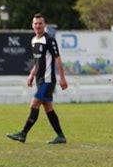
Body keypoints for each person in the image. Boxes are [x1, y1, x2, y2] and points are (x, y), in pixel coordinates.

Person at [7, 13, 68, 144]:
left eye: (40, 23)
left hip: (47, 80)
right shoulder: (34, 40)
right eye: (35, 23)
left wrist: (62, 78)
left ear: (44, 25)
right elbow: (38, 62)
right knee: (48, 108)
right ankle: (60, 136)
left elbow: (58, 59)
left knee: (34, 104)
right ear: (32, 25)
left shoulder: (50, 40)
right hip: (39, 80)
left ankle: (23, 134)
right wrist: (31, 75)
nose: (38, 26)